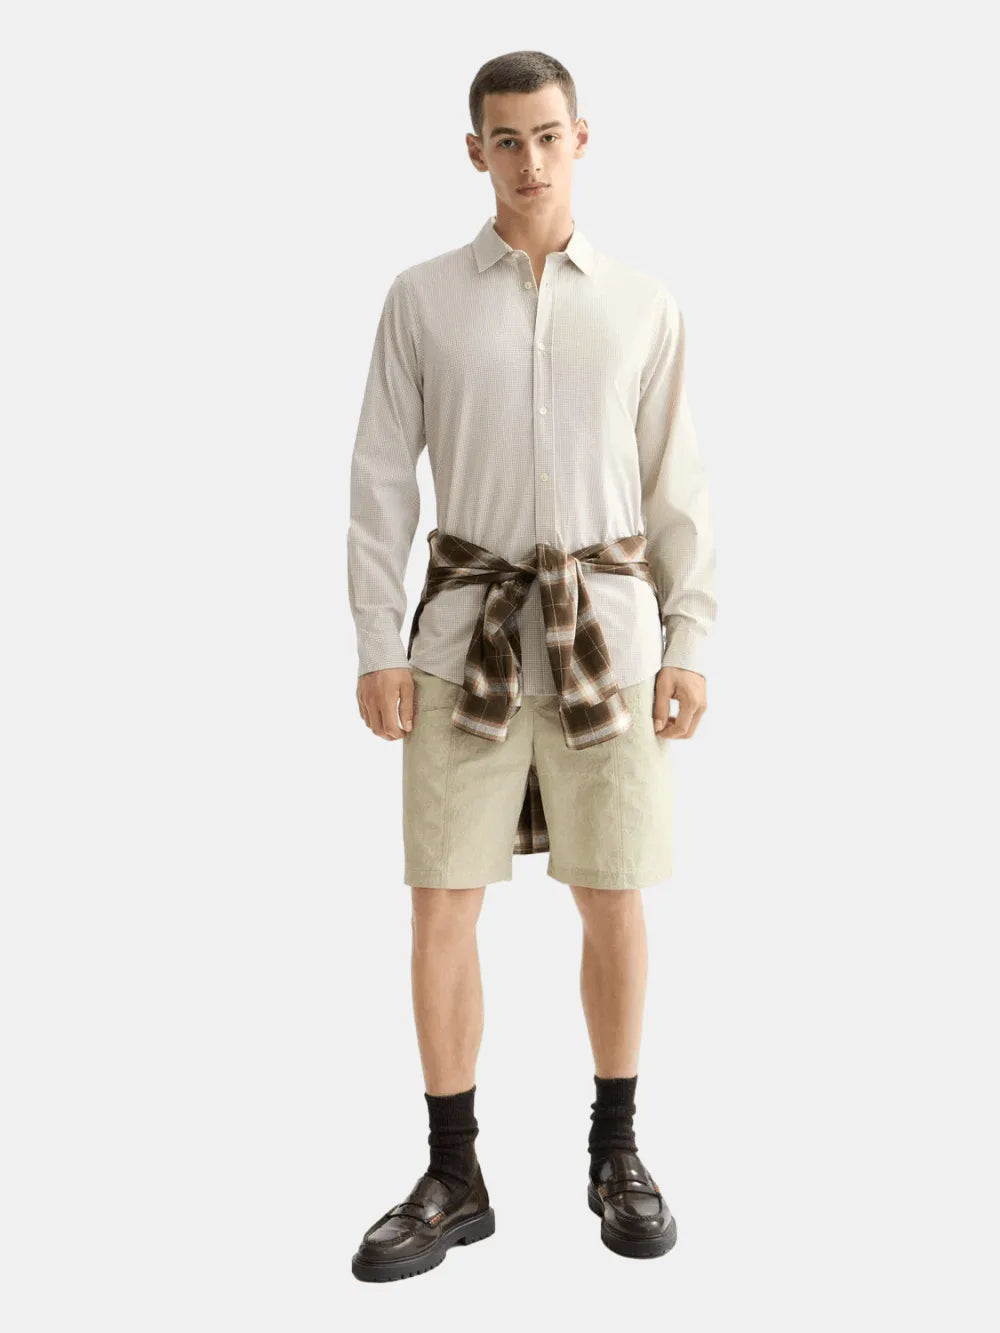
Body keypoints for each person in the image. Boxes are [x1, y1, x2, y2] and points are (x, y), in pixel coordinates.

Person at [346, 50, 716, 1282]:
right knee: (440, 900)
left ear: (581, 139)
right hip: (464, 644)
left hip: (611, 644)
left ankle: (617, 1151)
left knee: (613, 893)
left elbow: (676, 487)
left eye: (547, 135)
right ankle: (454, 1172)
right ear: (474, 152)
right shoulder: (421, 299)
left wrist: (691, 637)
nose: (528, 160)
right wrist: (377, 643)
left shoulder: (643, 305)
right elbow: (379, 479)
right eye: (504, 140)